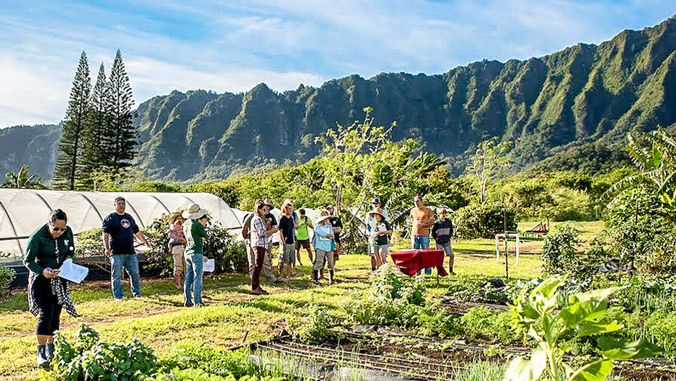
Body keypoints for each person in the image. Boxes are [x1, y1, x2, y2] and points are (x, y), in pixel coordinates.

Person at [24, 209, 79, 368]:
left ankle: (51, 348)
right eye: (56, 229)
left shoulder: (67, 232)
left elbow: (70, 251)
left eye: (62, 229)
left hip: (59, 276)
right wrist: (43, 271)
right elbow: (27, 261)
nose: (59, 232)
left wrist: (68, 262)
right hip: (42, 278)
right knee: (46, 313)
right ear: (49, 224)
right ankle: (40, 352)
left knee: (56, 313)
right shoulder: (38, 236)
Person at [103, 196, 150, 299]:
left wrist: (145, 242)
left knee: (135, 274)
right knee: (116, 275)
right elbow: (105, 234)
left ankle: (137, 294)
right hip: (116, 253)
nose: (121, 206)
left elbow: (136, 232)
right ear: (115, 205)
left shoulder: (129, 217)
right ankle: (118, 296)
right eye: (119, 204)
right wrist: (107, 248)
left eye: (123, 204)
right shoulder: (110, 218)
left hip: (130, 252)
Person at [182, 204, 210, 307]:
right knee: (197, 277)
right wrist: (202, 236)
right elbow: (205, 236)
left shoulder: (186, 224)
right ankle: (197, 302)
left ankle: (187, 300)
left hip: (187, 252)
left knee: (188, 278)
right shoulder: (197, 225)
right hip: (196, 252)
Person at [250, 200, 278, 294]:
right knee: (258, 266)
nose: (266, 211)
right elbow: (262, 233)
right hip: (259, 244)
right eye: (264, 209)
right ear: (259, 209)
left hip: (261, 244)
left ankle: (256, 285)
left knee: (259, 265)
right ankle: (255, 286)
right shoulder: (257, 219)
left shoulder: (259, 219)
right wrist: (273, 231)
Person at [409, 195, 435, 275]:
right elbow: (411, 220)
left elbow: (432, 222)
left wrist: (423, 225)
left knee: (426, 252)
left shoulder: (427, 210)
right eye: (414, 201)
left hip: (424, 234)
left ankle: (427, 272)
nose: (416, 203)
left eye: (417, 201)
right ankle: (417, 272)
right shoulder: (413, 211)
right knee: (415, 253)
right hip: (414, 234)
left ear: (421, 201)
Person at [312, 211, 336, 285]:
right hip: (320, 246)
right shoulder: (317, 227)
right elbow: (324, 234)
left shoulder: (329, 225)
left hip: (329, 246)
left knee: (331, 262)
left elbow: (332, 235)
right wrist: (329, 235)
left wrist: (330, 236)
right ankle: (315, 279)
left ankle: (331, 279)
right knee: (319, 262)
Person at [365, 198, 388, 270]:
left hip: (382, 236)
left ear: (379, 204)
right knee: (373, 254)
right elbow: (367, 225)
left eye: (376, 203)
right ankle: (374, 269)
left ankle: (384, 270)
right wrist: (369, 233)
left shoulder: (384, 212)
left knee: (382, 255)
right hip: (372, 236)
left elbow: (385, 225)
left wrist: (383, 232)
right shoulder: (369, 214)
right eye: (373, 203)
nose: (375, 205)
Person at [278, 199, 298, 280]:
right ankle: (280, 275)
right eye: (289, 209)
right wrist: (283, 242)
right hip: (285, 242)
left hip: (292, 241)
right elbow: (280, 231)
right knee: (283, 260)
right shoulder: (283, 218)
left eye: (291, 209)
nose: (290, 210)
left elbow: (294, 228)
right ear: (285, 209)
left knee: (291, 260)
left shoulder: (291, 218)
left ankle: (288, 276)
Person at [432, 207, 455, 275]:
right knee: (439, 257)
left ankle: (451, 270)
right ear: (439, 215)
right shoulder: (437, 223)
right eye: (441, 214)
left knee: (451, 255)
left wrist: (448, 237)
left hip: (447, 242)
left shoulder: (449, 222)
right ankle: (440, 271)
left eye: (444, 213)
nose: (443, 215)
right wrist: (436, 239)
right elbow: (433, 232)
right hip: (439, 242)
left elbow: (451, 231)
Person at [168, 211, 187, 289]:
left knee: (187, 266)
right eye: (178, 218)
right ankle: (178, 284)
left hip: (185, 247)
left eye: (181, 218)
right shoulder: (172, 228)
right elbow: (170, 235)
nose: (179, 219)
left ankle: (187, 284)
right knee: (178, 266)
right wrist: (179, 238)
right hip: (177, 247)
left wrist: (184, 239)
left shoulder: (185, 228)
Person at [263, 198, 279, 283]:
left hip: (269, 238)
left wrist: (273, 229)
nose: (267, 207)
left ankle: (269, 272)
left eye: (269, 206)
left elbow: (274, 226)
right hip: (261, 237)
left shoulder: (271, 216)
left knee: (268, 254)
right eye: (266, 206)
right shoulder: (260, 215)